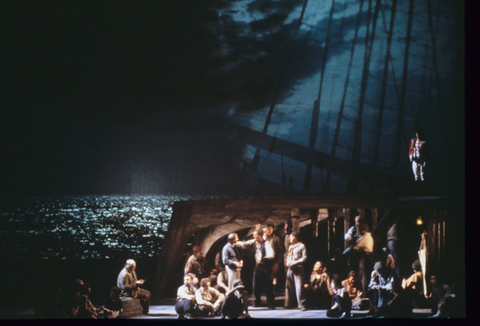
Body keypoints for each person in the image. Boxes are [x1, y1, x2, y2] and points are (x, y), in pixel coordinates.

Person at [249, 228, 276, 309]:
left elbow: (271, 254)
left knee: (268, 286)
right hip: (257, 267)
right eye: (254, 236)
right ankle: (256, 303)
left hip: (265, 267)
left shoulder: (266, 243)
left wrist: (265, 258)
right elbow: (244, 244)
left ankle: (271, 304)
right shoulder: (254, 243)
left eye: (256, 236)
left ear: (260, 236)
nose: (254, 238)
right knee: (255, 285)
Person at [284, 231, 307, 310]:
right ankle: (290, 304)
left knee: (299, 287)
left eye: (291, 237)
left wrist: (295, 262)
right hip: (290, 268)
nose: (289, 239)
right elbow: (288, 256)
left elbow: (304, 258)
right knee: (289, 286)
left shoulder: (301, 246)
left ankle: (302, 305)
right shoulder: (291, 247)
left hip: (298, 268)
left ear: (295, 237)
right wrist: (287, 262)